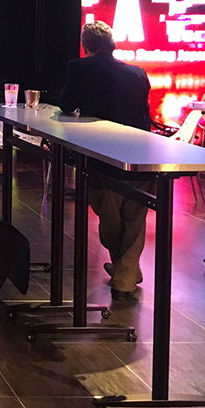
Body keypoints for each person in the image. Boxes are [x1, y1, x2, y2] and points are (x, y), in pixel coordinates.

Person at [58, 20, 152, 301]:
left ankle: (124, 279)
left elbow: (66, 104)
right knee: (134, 220)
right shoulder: (138, 72)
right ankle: (126, 270)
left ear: (86, 45)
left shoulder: (79, 67)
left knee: (110, 220)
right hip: (142, 157)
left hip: (104, 159)